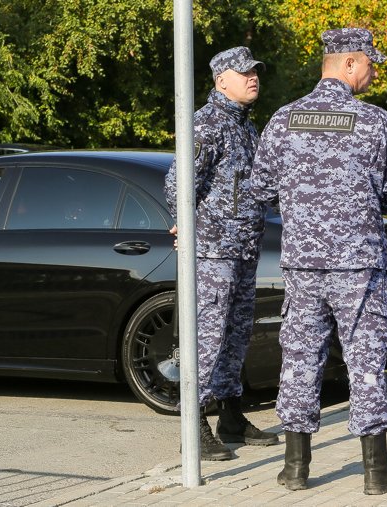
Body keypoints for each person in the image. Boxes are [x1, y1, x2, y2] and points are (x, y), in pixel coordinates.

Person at [250, 28, 387, 493]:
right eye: (369, 63)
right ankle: (375, 472)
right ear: (348, 64)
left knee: (300, 360)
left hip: (303, 265)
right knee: (365, 362)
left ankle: (295, 468)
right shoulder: (374, 121)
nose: (373, 72)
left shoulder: (283, 120)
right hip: (358, 265)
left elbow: (260, 187)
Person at [164, 46, 279, 461]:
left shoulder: (246, 126)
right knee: (207, 338)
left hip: (244, 248)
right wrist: (185, 226)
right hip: (213, 250)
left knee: (235, 335)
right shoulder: (207, 124)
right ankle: (193, 427)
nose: (254, 78)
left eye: (256, 71)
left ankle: (231, 415)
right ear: (220, 81)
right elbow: (178, 182)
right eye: (244, 72)